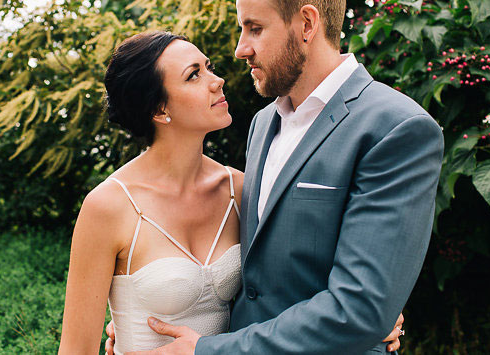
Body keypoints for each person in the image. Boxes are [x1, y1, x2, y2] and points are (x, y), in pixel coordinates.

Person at [116, 0, 443, 354]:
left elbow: (359, 310)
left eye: (254, 28)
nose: (240, 48)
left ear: (306, 23)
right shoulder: (262, 124)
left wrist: (209, 352)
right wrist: (138, 321)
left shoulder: (396, 128)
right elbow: (256, 280)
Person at [59, 30, 405, 354]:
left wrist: (368, 315)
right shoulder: (109, 206)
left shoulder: (240, 188)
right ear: (158, 109)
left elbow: (297, 276)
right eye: (194, 75)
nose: (217, 80)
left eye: (209, 67)